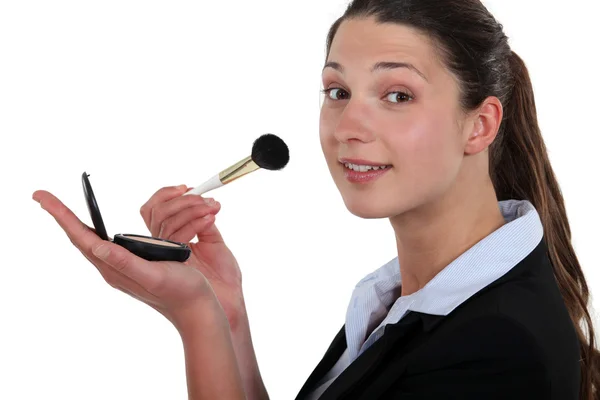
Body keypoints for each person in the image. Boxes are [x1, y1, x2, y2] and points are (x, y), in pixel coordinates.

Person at [32, 0, 598, 398]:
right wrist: (226, 313)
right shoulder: (406, 299)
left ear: (479, 126)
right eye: (337, 91)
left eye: (397, 94)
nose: (348, 124)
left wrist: (194, 318)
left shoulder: (497, 348)